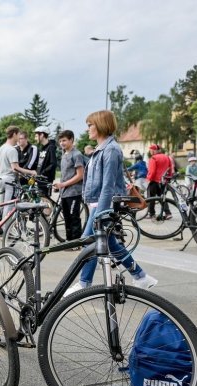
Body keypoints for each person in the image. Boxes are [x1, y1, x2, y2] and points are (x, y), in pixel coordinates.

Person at [66, 110, 157, 294]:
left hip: (104, 204)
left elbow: (108, 185)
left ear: (100, 125)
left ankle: (84, 283)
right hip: (99, 202)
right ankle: (140, 276)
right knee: (110, 243)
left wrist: (100, 212)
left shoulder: (111, 150)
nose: (88, 128)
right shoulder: (102, 149)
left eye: (90, 125)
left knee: (89, 240)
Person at [0, 125, 37, 221]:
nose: (19, 138)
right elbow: (15, 168)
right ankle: (6, 230)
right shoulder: (12, 150)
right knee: (9, 207)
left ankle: (0, 226)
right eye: (18, 135)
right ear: (14, 134)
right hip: (9, 181)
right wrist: (31, 172)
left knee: (1, 205)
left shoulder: (2, 148)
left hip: (1, 179)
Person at [53, 130, 85, 241]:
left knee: (74, 218)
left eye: (64, 140)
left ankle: (76, 242)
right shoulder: (64, 154)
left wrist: (63, 184)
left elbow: (80, 175)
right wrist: (59, 185)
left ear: (71, 140)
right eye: (60, 141)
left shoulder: (76, 155)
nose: (62, 143)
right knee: (67, 218)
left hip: (74, 192)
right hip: (65, 193)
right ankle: (69, 240)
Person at [146, 144, 172, 220]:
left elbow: (152, 171)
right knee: (162, 197)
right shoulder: (167, 157)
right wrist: (169, 178)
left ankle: (151, 214)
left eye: (150, 150)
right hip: (163, 181)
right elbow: (170, 168)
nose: (150, 152)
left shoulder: (153, 158)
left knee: (151, 198)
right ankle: (168, 213)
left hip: (154, 180)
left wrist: (148, 179)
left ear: (153, 150)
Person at [34, 125, 57, 196]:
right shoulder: (42, 148)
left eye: (36, 136)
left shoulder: (51, 148)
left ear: (42, 135)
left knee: (45, 202)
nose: (35, 138)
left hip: (46, 179)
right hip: (40, 179)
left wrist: (42, 172)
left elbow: (53, 164)